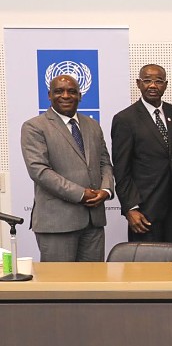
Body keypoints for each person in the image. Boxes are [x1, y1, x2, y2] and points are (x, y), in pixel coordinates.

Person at [21, 75, 114, 261]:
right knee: (58, 280)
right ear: (49, 95)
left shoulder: (93, 125)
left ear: (80, 95)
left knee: (93, 278)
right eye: (59, 91)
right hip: (57, 223)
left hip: (94, 222)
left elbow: (104, 162)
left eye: (71, 91)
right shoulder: (34, 127)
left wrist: (106, 189)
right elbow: (39, 171)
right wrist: (81, 193)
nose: (65, 96)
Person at [111, 64, 172, 242]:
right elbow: (121, 170)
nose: (152, 85)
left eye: (158, 81)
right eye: (147, 81)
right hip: (145, 212)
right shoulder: (125, 119)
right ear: (138, 83)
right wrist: (130, 208)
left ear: (165, 85)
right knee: (146, 261)